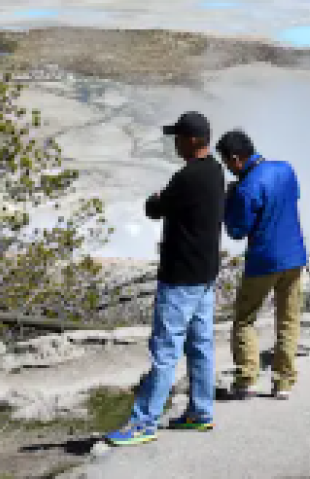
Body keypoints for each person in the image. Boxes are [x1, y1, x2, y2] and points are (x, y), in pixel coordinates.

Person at [107, 112, 225, 446]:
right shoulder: (215, 171)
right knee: (201, 346)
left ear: (192, 140)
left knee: (165, 350)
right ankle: (201, 411)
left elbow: (153, 209)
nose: (175, 143)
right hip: (205, 274)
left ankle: (143, 421)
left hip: (179, 277)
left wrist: (158, 198)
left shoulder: (186, 178)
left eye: (178, 137)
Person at [216, 130, 307, 401]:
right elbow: (294, 198)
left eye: (227, 163)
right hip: (294, 256)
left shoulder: (246, 187)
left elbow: (237, 230)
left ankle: (247, 378)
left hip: (263, 260)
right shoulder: (286, 169)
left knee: (245, 319)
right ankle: (283, 382)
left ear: (236, 159)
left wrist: (229, 201)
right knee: (288, 319)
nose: (229, 169)